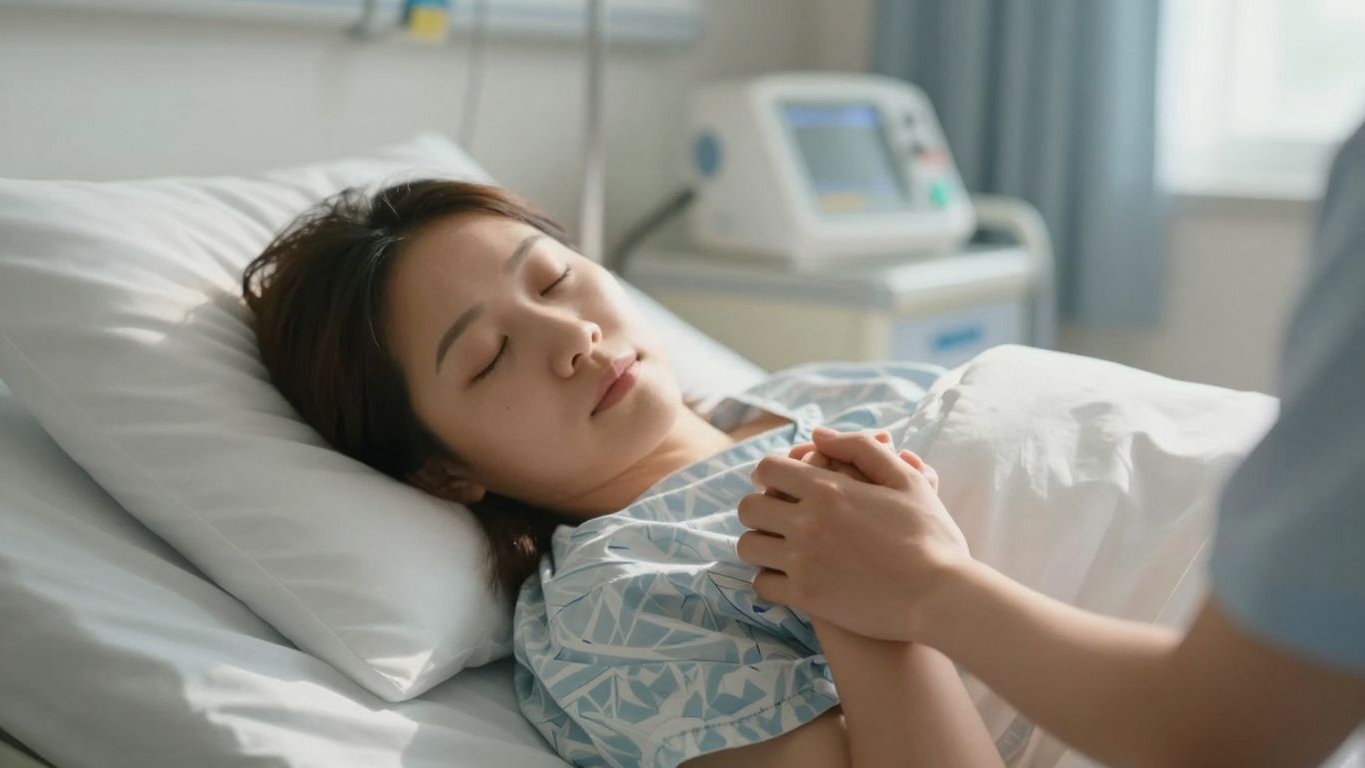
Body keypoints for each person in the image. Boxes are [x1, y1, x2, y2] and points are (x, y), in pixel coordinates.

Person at [241, 180, 1005, 767]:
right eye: (491, 356)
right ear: (444, 473)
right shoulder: (616, 606)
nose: (574, 333)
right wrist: (856, 591)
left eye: (550, 281)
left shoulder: (817, 392)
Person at [736, 122, 1365, 767]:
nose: (618, 351)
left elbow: (1227, 732)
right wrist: (869, 609)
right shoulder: (638, 584)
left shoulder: (811, 387)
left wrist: (918, 585)